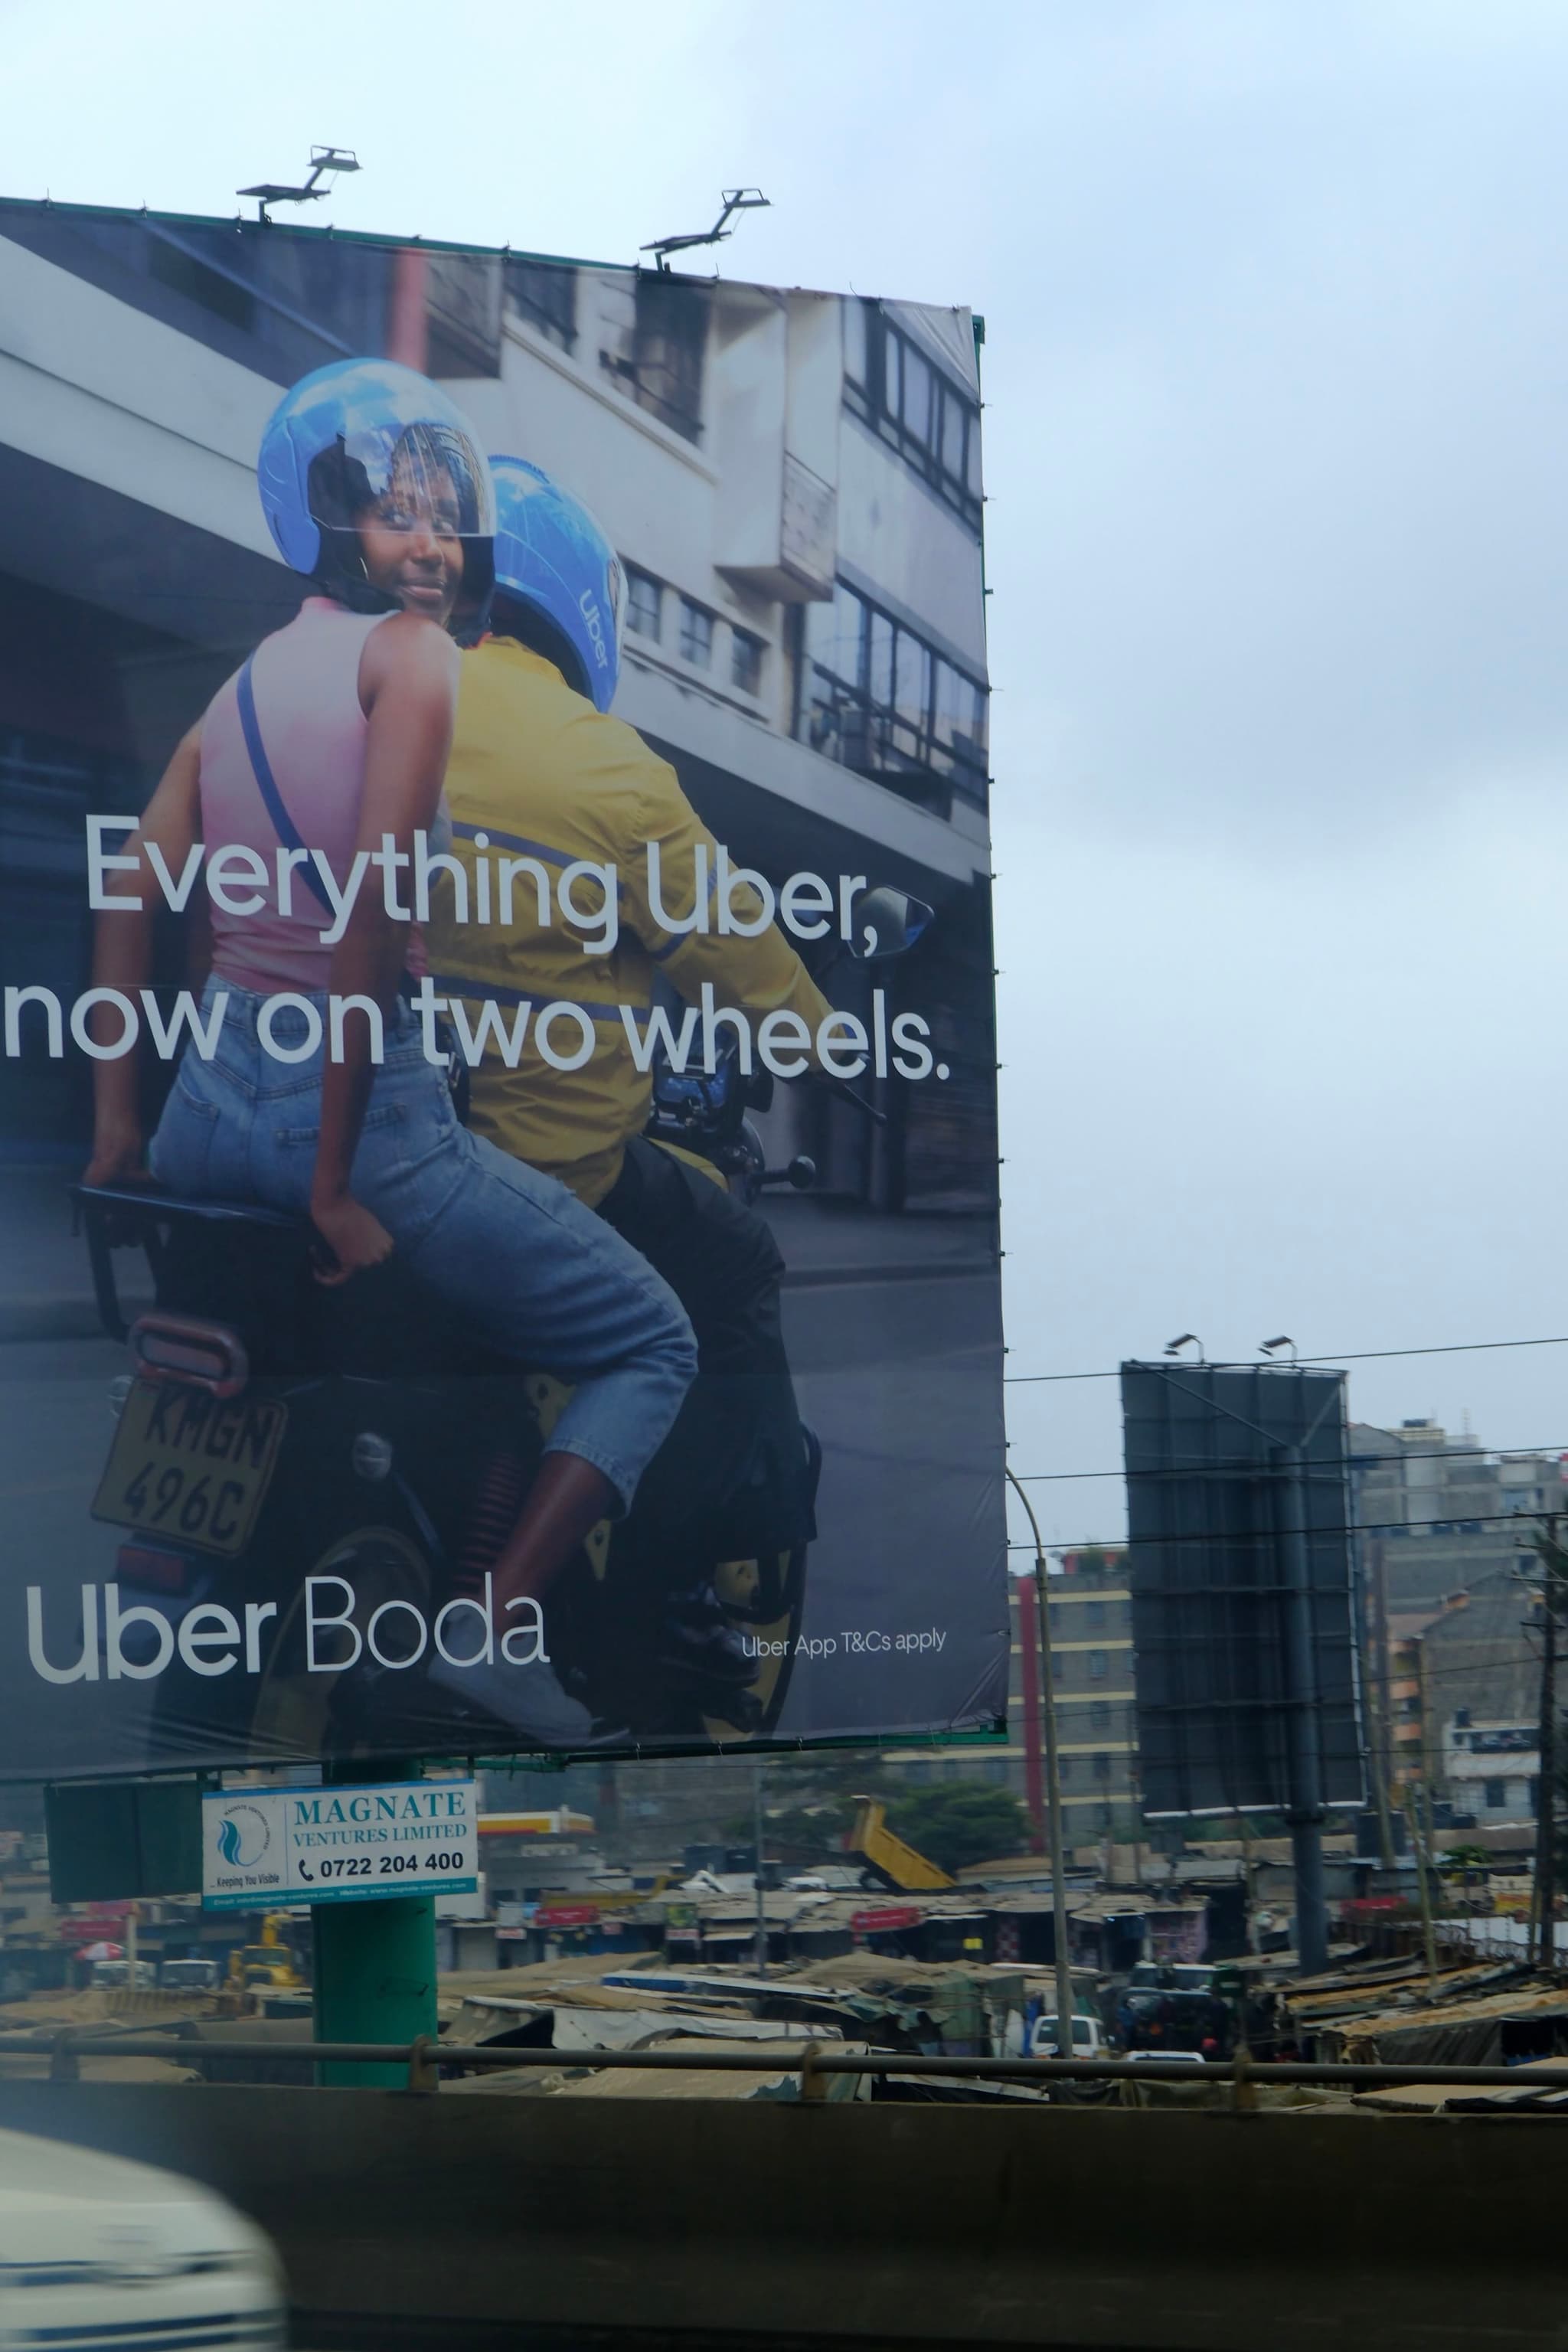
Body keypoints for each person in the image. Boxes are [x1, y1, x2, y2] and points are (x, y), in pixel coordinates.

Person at [83, 362, 697, 1743]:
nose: (428, 544)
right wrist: (335, 1184)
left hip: (204, 1109)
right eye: (394, 513)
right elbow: (372, 914)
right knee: (650, 1340)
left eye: (442, 515)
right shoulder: (414, 659)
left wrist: (125, 1128)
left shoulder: (247, 676)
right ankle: (492, 1632)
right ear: (327, 518)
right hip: (349, 1119)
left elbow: (133, 889)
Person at [425, 456, 836, 1601]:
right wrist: (834, 1045)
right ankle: (675, 1587)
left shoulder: (382, 702)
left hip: (370, 1148)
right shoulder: (614, 765)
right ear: (583, 609)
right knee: (734, 1261)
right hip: (545, 1172)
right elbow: (743, 960)